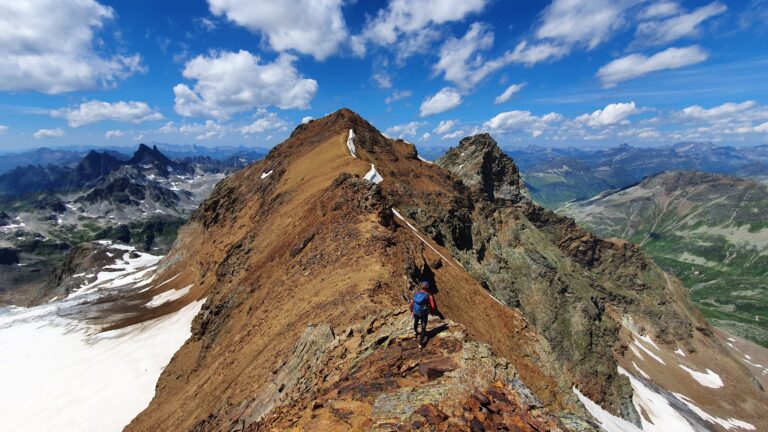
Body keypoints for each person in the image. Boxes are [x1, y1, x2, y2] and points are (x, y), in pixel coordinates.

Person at [409, 281, 437, 349]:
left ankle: (415, 332)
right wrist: (432, 312)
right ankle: (420, 344)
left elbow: (411, 303)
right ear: (427, 287)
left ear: (422, 286)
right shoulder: (429, 295)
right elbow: (433, 306)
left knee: (416, 321)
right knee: (423, 328)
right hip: (423, 313)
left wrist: (411, 310)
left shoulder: (417, 293)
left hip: (416, 312)